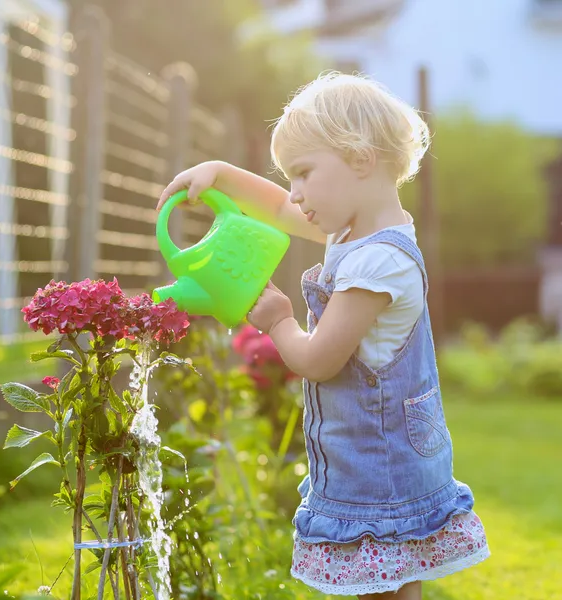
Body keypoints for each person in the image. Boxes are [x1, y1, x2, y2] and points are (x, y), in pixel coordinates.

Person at [157, 72, 489, 599]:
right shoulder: (359, 232)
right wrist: (220, 174)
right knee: (393, 587)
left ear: (360, 159)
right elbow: (280, 210)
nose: (296, 193)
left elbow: (318, 360)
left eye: (304, 173)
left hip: (379, 472)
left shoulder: (376, 263)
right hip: (383, 460)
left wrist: (279, 320)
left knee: (384, 589)